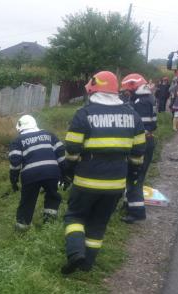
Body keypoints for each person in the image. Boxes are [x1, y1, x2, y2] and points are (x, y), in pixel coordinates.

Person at [61, 71, 146, 274]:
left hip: (87, 179)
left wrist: (68, 172)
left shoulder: (84, 114)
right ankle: (87, 264)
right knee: (98, 223)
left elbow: (72, 149)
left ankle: (75, 253)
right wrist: (132, 175)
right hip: (116, 181)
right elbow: (139, 152)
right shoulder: (132, 115)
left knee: (75, 217)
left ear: (93, 89)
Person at [8, 114, 65, 229]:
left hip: (31, 176)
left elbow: (15, 163)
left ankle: (22, 228)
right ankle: (49, 223)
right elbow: (61, 153)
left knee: (27, 201)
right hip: (52, 172)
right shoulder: (49, 135)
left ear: (20, 128)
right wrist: (64, 174)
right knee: (52, 196)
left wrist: (14, 180)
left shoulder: (18, 140)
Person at [120, 73, 157, 224]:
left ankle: (136, 212)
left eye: (128, 90)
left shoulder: (141, 102)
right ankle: (129, 204)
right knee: (134, 176)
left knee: (135, 177)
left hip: (141, 142)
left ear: (134, 87)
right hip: (147, 140)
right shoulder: (149, 97)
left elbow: (136, 126)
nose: (127, 93)